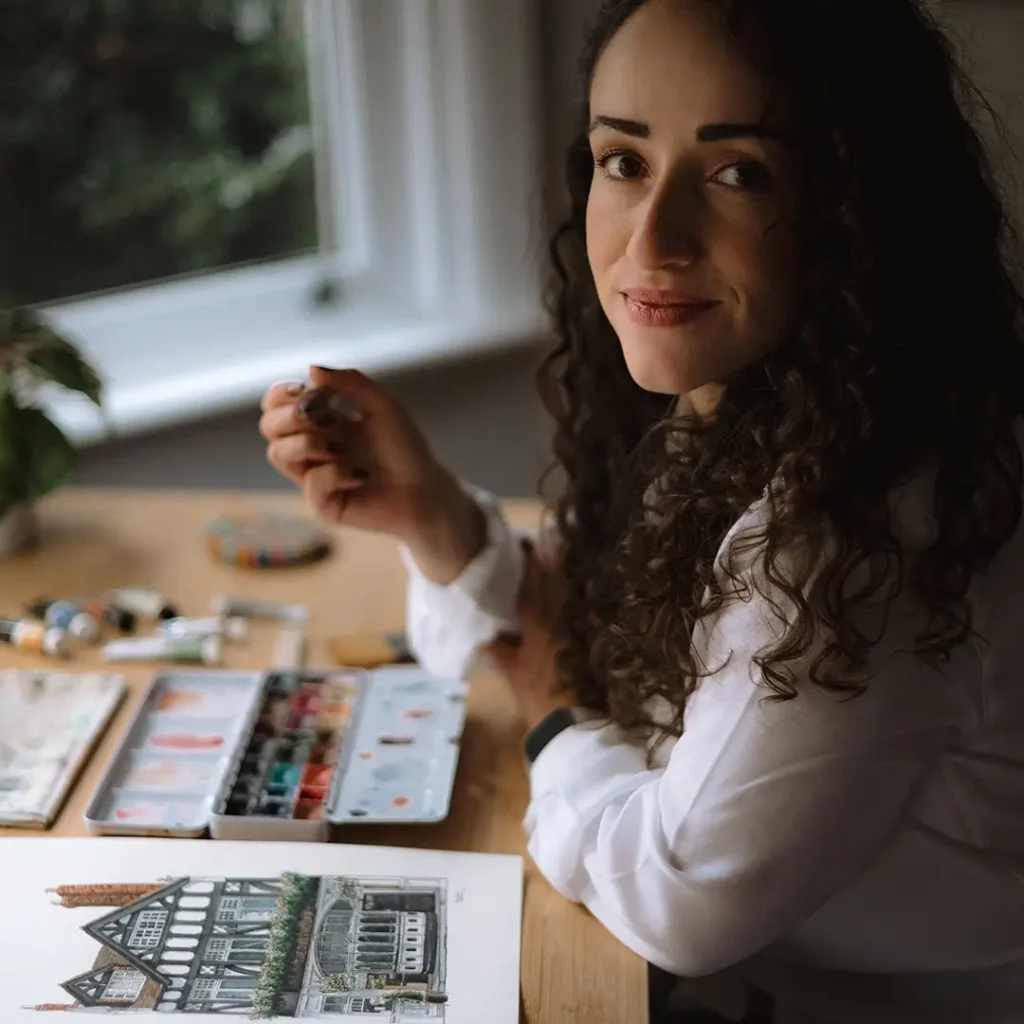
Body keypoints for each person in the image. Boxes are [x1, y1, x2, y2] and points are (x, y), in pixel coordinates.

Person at [260, 1, 1024, 1020]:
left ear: (855, 207)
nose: (652, 237)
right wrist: (431, 516)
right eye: (623, 160)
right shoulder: (759, 405)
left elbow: (674, 896)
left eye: (737, 172)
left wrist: (550, 717)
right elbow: (577, 614)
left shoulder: (861, 526)